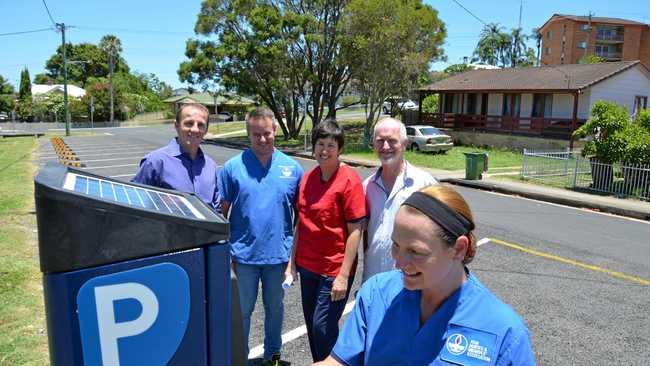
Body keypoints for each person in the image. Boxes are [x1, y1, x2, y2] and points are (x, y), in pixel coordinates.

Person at [314, 185, 536, 365]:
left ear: (458, 249)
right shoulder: (376, 294)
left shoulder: (504, 331)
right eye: (396, 245)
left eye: (415, 252)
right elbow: (339, 362)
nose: (398, 262)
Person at [219, 107, 303, 364]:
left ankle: (273, 358)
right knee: (242, 313)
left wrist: (293, 259)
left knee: (275, 312)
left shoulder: (292, 168)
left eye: (267, 133)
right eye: (256, 135)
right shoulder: (233, 168)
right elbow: (221, 214)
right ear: (248, 134)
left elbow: (301, 217)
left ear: (275, 131)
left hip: (277, 258)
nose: (263, 139)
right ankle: (239, 360)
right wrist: (226, 254)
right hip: (242, 257)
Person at [285, 119, 366, 362]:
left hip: (333, 270)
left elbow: (355, 231)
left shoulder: (349, 181)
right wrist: (292, 262)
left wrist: (343, 275)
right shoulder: (307, 179)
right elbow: (300, 223)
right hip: (308, 265)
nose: (324, 150)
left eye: (331, 145)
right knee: (312, 325)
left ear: (339, 149)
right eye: (320, 144)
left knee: (323, 326)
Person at [362, 117, 436, 283]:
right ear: (373, 144)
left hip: (411, 280)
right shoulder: (366, 187)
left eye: (392, 141)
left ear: (404, 143)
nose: (385, 146)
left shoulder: (424, 184)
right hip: (373, 280)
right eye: (380, 141)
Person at [132, 103, 220, 212]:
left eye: (201, 125)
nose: (195, 129)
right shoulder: (156, 162)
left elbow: (217, 210)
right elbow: (135, 201)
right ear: (176, 125)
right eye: (189, 123)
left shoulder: (210, 166)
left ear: (206, 130)